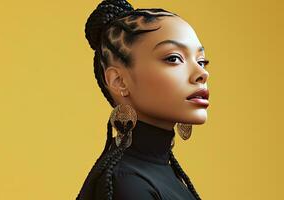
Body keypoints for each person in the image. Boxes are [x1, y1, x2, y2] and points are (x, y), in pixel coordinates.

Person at [76, 0, 210, 199]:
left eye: (201, 61)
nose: (201, 73)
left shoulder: (159, 169)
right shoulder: (127, 184)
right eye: (173, 58)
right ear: (119, 80)